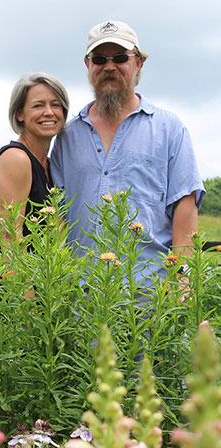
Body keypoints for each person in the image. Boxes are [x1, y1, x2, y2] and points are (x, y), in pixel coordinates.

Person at [50, 20, 205, 284]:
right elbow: (59, 214)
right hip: (82, 295)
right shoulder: (67, 136)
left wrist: (183, 277)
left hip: (150, 294)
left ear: (138, 64)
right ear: (88, 65)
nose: (109, 66)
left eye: (120, 57)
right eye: (99, 58)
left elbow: (185, 205)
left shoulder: (169, 129)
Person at [0, 72, 69, 243]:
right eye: (38, 106)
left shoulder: (49, 166)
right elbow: (10, 237)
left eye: (55, 105)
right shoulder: (16, 159)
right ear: (20, 114)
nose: (49, 112)